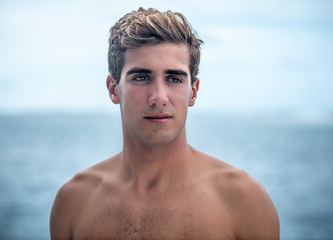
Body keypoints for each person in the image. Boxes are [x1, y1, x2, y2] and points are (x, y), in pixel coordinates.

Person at [50, 7, 279, 240]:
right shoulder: (74, 202)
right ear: (113, 89)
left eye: (174, 79)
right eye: (141, 77)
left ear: (193, 92)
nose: (159, 97)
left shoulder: (243, 200)